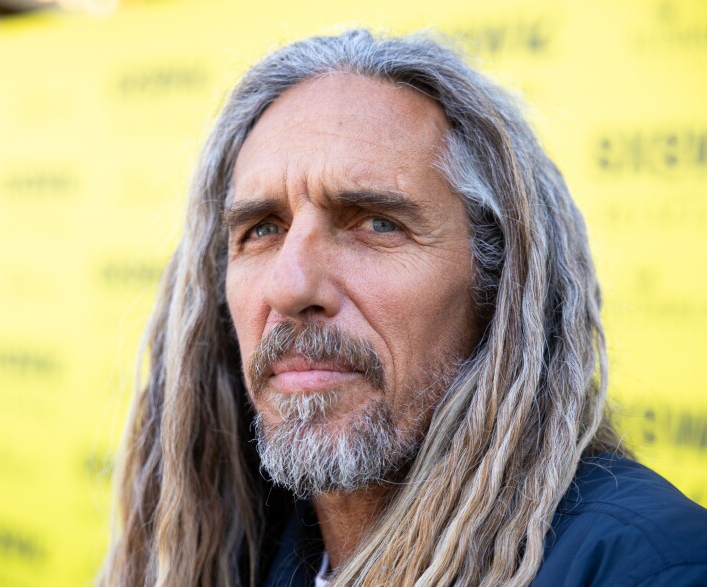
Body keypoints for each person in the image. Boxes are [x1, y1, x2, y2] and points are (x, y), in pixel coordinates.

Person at [99, 30, 707, 586]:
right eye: (262, 228)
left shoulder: (647, 565)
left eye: (376, 223)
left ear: (498, 282)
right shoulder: (240, 554)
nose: (290, 287)